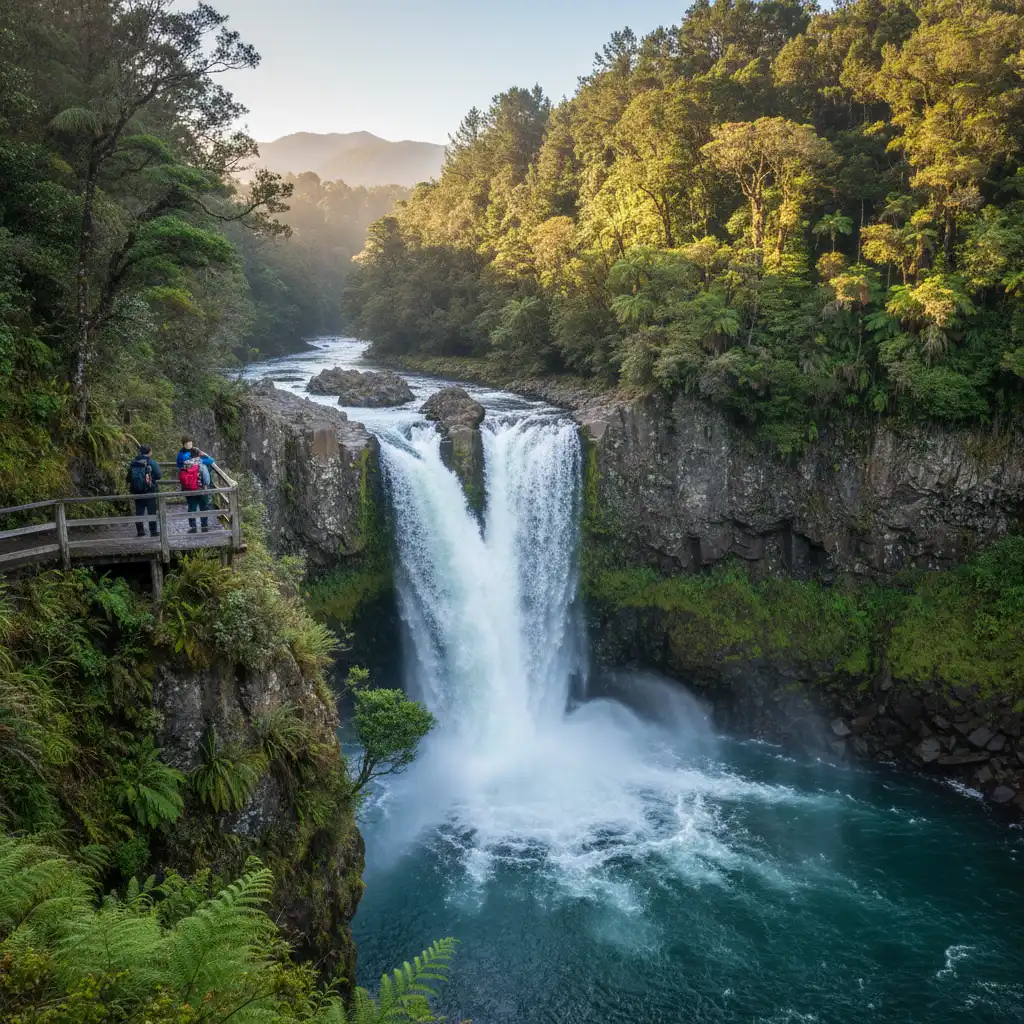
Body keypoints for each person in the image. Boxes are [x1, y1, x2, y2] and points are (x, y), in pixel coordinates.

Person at [179, 443, 217, 533]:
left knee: (192, 507)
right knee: (203, 507)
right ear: (199, 454)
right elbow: (207, 480)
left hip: (188, 490)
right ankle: (204, 526)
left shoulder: (185, 464)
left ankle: (193, 527)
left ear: (190, 454)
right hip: (201, 490)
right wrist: (205, 455)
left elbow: (181, 477)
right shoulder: (201, 464)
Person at [127, 444, 162, 538]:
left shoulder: (134, 462)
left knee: (139, 511)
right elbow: (159, 475)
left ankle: (140, 531)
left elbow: (128, 478)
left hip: (137, 491)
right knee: (152, 512)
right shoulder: (151, 462)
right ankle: (153, 531)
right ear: (150, 452)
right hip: (150, 490)